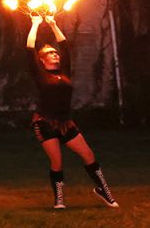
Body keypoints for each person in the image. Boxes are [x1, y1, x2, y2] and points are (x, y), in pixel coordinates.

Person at [25, 13, 119, 209]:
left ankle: (104, 192)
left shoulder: (64, 73)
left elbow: (65, 46)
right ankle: (59, 200)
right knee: (57, 162)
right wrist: (35, 24)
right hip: (44, 122)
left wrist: (53, 24)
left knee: (88, 155)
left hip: (66, 122)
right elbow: (29, 50)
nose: (55, 55)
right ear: (42, 60)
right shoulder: (40, 75)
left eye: (55, 53)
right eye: (51, 53)